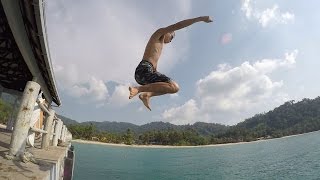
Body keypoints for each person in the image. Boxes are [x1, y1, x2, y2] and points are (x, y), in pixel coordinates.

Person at [129, 16, 213, 111]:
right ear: (168, 32)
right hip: (144, 69)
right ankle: (138, 89)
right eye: (172, 37)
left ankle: (147, 95)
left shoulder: (158, 46)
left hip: (145, 72)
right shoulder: (159, 33)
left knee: (167, 87)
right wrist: (200, 19)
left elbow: (155, 69)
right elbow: (179, 25)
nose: (170, 40)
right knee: (174, 87)